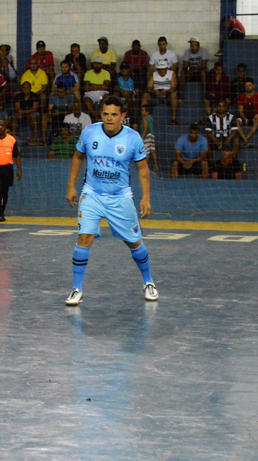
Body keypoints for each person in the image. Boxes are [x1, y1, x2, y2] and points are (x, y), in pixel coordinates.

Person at [64, 96, 156, 306]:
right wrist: (71, 186)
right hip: (92, 194)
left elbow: (142, 169)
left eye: (114, 114)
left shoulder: (133, 138)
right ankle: (76, 288)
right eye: (105, 113)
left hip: (120, 197)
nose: (109, 118)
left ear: (123, 116)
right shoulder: (90, 132)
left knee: (133, 242)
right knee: (84, 238)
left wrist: (146, 197)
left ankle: (148, 281)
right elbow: (78, 157)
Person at [143, 59, 178, 124]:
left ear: (166, 69)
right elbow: (149, 87)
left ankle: (173, 119)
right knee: (145, 95)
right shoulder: (154, 74)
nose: (161, 71)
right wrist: (154, 92)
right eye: (160, 69)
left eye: (163, 69)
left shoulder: (172, 73)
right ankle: (145, 119)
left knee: (174, 95)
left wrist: (166, 91)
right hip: (156, 95)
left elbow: (174, 87)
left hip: (167, 95)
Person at [178, 37, 210, 102]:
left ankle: (204, 96)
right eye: (191, 45)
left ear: (198, 46)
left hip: (200, 72)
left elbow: (203, 65)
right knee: (182, 73)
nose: (193, 47)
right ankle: (181, 97)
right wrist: (190, 69)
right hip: (191, 72)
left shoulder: (203, 51)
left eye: (195, 45)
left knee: (203, 73)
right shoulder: (187, 51)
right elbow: (185, 65)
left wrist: (192, 68)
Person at [237, 78, 258, 146]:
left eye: (249, 85)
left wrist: (257, 115)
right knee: (236, 122)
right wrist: (244, 118)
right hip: (245, 117)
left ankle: (245, 140)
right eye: (246, 86)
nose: (248, 87)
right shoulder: (241, 97)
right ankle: (246, 141)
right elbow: (240, 111)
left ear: (253, 86)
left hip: (255, 117)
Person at [83, 56, 111, 121]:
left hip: (102, 93)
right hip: (90, 93)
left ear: (101, 65)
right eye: (95, 63)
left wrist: (92, 85)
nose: (97, 65)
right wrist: (101, 86)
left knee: (105, 99)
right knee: (87, 100)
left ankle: (97, 115)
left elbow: (106, 87)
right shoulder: (88, 73)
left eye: (98, 64)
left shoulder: (106, 73)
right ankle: (96, 116)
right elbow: (86, 87)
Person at [140, 104, 158, 170]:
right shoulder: (151, 118)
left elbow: (145, 128)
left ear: (147, 112)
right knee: (152, 150)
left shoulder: (145, 118)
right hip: (152, 135)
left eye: (143, 110)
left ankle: (145, 166)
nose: (141, 112)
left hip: (147, 135)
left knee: (146, 150)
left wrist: (143, 136)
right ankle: (156, 166)